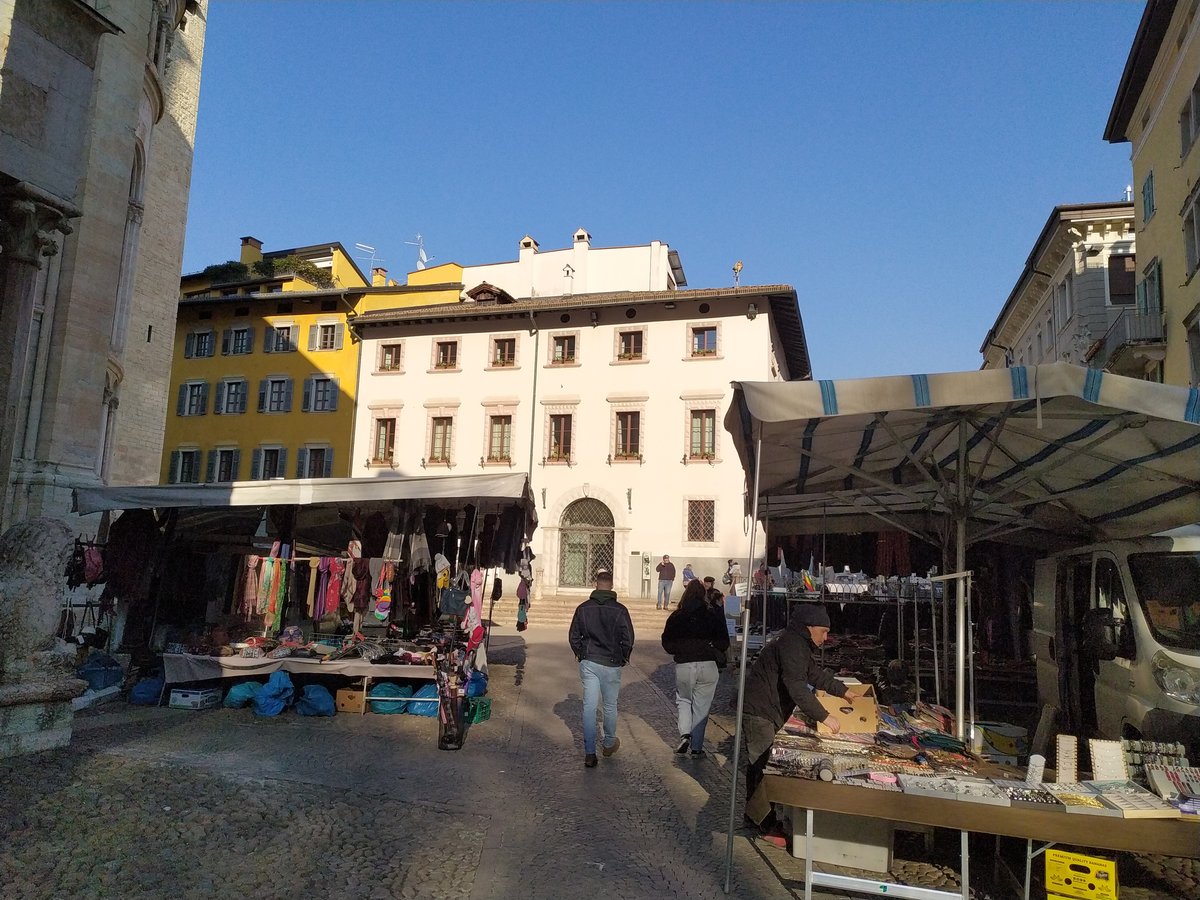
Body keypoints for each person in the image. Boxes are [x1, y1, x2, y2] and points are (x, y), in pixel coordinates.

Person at [740, 603, 862, 830]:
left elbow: (814, 674)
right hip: (760, 710)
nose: (826, 638)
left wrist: (843, 691)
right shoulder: (791, 645)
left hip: (768, 708)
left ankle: (758, 816)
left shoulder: (798, 643)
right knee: (762, 764)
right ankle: (761, 821)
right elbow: (797, 687)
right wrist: (824, 716)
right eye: (824, 631)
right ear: (810, 627)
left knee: (763, 762)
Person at [568, 569, 634, 768]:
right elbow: (628, 638)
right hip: (611, 662)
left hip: (589, 661)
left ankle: (589, 753)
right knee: (610, 705)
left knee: (589, 707)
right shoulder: (621, 610)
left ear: (595, 585)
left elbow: (573, 636)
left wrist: (581, 653)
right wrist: (623, 656)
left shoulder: (583, 608)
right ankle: (608, 742)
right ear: (611, 586)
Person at [661, 580, 730, 758]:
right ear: (703, 595)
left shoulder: (677, 617)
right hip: (708, 664)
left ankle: (685, 734)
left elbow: (667, 643)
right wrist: (709, 645)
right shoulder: (712, 615)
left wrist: (681, 648)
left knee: (683, 701)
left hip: (684, 664)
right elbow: (724, 643)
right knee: (702, 707)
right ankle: (697, 748)